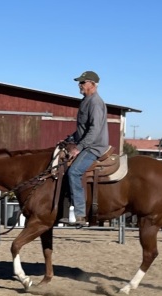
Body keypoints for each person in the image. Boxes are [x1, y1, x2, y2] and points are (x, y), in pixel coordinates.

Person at [59, 71, 109, 226]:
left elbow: (94, 130)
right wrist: (71, 139)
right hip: (87, 143)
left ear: (92, 84)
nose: (79, 85)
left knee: (74, 172)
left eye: (82, 82)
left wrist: (78, 147)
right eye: (79, 82)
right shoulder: (85, 100)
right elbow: (83, 128)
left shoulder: (95, 102)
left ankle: (80, 213)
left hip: (94, 146)